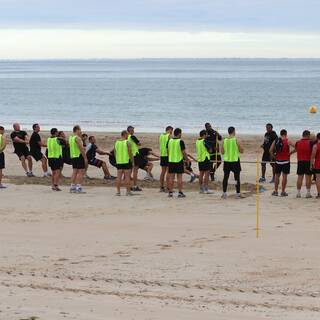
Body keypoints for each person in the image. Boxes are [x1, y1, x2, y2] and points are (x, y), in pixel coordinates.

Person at [270, 129, 295, 197]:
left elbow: (270, 150)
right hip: (286, 161)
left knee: (277, 176)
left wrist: (274, 157)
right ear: (286, 134)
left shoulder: (276, 140)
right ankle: (283, 191)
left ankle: (275, 191)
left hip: (278, 161)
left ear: (280, 134)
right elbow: (296, 147)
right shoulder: (288, 141)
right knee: (284, 176)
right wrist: (290, 153)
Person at [221, 126, 244, 199]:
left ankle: (224, 193)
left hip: (227, 161)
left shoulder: (224, 140)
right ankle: (238, 194)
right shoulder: (236, 140)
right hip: (235, 160)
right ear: (234, 131)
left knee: (225, 177)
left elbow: (222, 152)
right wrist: (239, 148)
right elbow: (242, 151)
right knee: (237, 178)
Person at [167, 128, 188, 198]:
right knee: (179, 177)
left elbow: (168, 150)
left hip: (171, 161)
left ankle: (170, 192)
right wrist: (187, 159)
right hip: (179, 161)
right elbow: (183, 152)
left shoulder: (169, 141)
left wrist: (170, 157)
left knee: (171, 178)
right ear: (179, 133)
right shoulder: (180, 141)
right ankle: (180, 192)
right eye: (181, 133)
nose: (181, 135)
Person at [69, 125, 88, 194]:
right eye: (80, 130)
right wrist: (85, 157)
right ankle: (78, 187)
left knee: (74, 171)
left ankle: (72, 187)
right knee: (81, 172)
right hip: (79, 156)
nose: (81, 132)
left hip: (73, 156)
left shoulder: (71, 138)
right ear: (77, 130)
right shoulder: (77, 138)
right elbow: (80, 148)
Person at [114, 130, 133, 196]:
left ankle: (118, 192)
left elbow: (115, 152)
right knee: (127, 177)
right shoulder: (127, 142)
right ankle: (128, 192)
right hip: (126, 161)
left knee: (118, 177)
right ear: (124, 134)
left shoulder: (116, 142)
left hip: (119, 162)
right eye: (127, 134)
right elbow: (130, 153)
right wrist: (132, 161)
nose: (128, 136)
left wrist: (117, 160)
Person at [295, 130, 313, 198]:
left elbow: (296, 149)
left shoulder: (298, 142)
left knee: (300, 177)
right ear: (308, 135)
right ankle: (308, 193)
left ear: (303, 135)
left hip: (300, 161)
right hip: (308, 161)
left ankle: (298, 193)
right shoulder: (310, 142)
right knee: (308, 177)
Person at [196, 130, 212, 194]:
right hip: (205, 158)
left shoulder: (197, 141)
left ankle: (201, 189)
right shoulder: (204, 141)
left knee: (201, 174)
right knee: (206, 174)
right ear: (204, 135)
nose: (206, 136)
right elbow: (210, 150)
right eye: (206, 135)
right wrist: (210, 149)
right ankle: (206, 189)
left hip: (200, 159)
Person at [127, 126, 142, 192]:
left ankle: (129, 185)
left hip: (129, 155)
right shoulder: (132, 136)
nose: (134, 131)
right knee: (135, 171)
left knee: (130, 170)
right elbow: (139, 144)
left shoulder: (126, 137)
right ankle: (135, 185)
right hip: (135, 154)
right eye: (133, 130)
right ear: (130, 131)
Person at [159, 126, 173, 192]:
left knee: (163, 172)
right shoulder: (169, 136)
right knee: (168, 172)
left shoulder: (161, 135)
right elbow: (169, 146)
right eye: (171, 131)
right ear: (169, 130)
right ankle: (168, 188)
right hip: (167, 155)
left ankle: (161, 187)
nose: (172, 132)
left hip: (162, 155)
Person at [310, 132, 320, 198]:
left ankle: (319, 193)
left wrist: (311, 165)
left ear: (317, 138)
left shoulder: (315, 146)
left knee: (318, 179)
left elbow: (312, 156)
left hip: (318, 164)